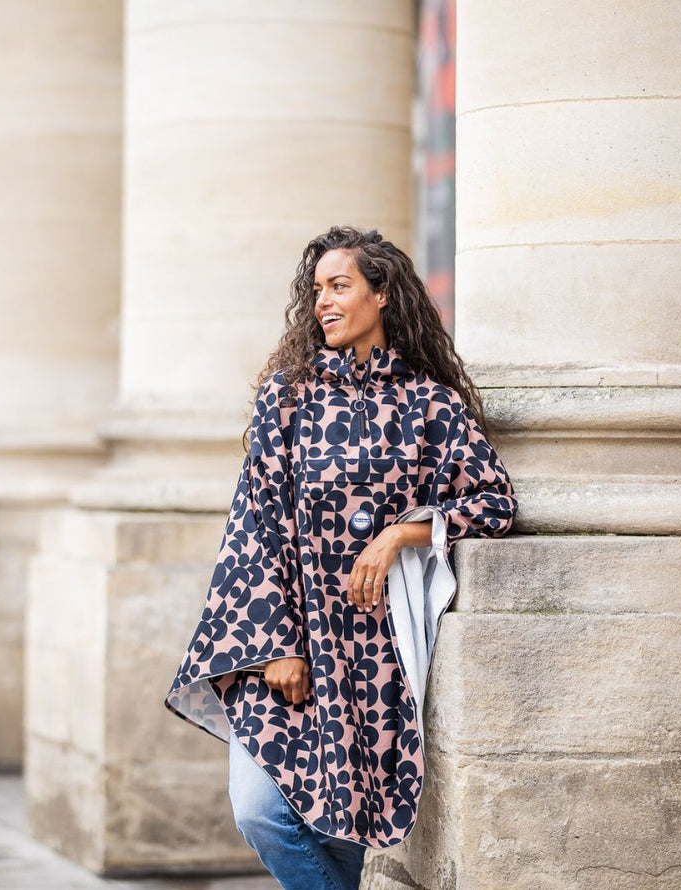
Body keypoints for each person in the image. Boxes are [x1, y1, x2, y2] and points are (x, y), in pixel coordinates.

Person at [164, 225, 518, 890]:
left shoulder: (430, 406)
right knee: (261, 812)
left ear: (381, 295)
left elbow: (494, 502)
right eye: (316, 290)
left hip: (373, 656)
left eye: (339, 286)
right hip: (286, 645)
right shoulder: (286, 398)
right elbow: (255, 527)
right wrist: (276, 645)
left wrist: (402, 534)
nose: (322, 301)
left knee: (345, 829)